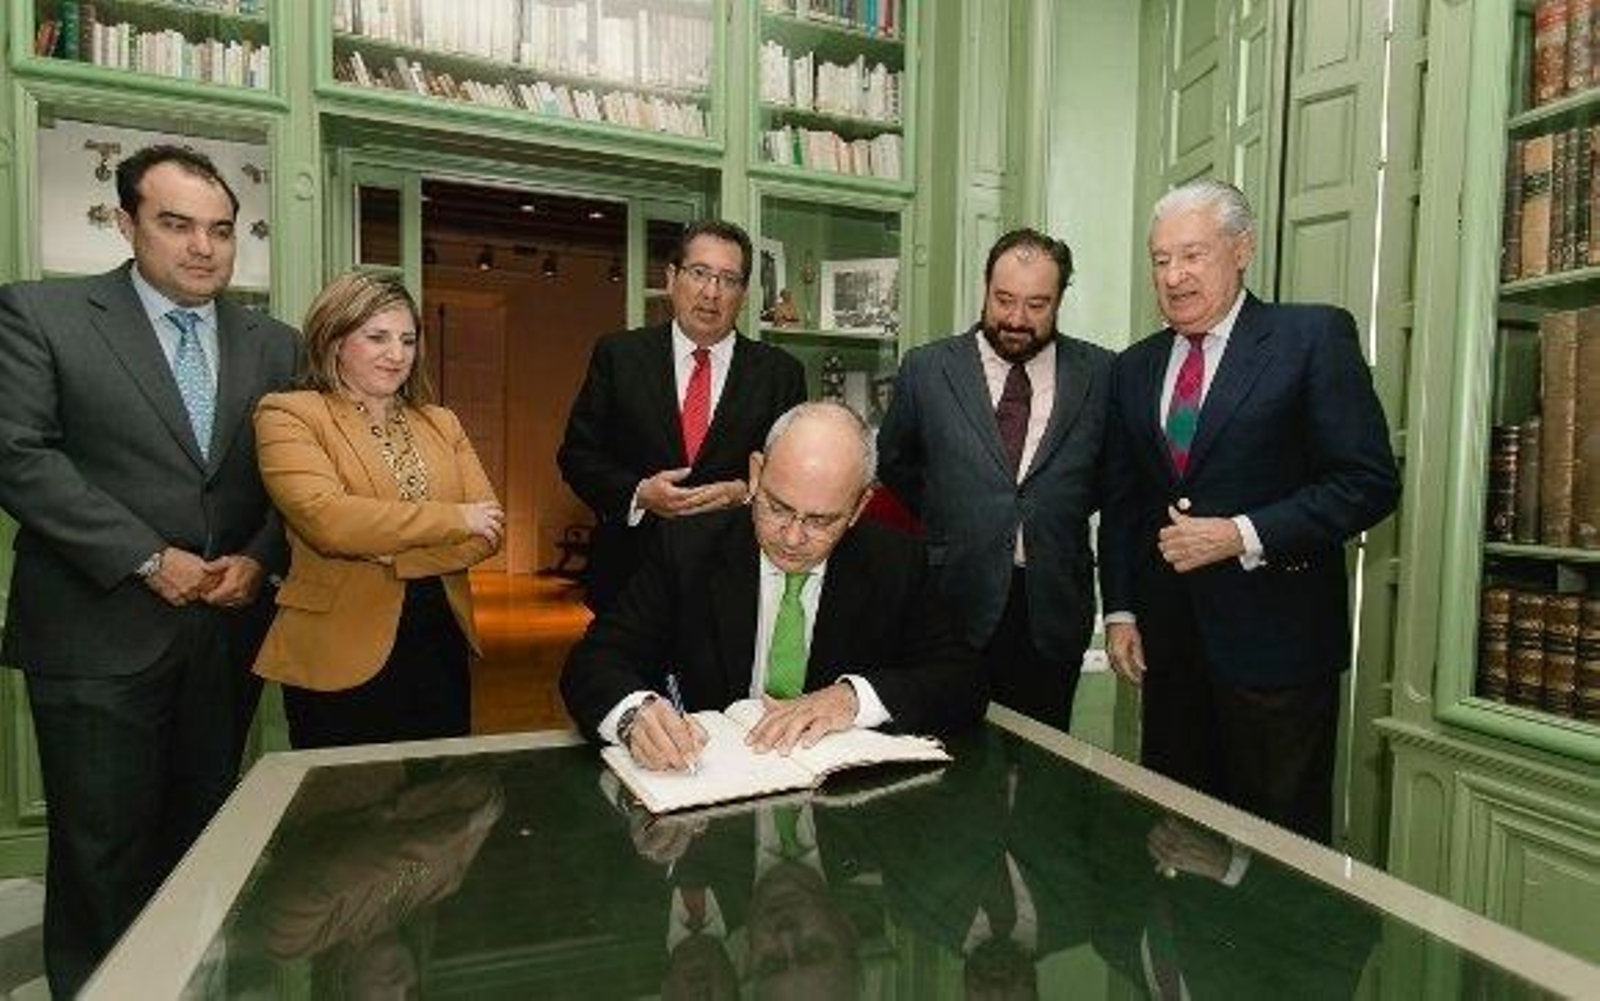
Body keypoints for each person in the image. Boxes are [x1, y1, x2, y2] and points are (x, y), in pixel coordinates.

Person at [0, 143, 299, 996]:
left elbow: (299, 479)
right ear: (126, 223)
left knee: (206, 839)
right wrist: (144, 556)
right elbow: (19, 457)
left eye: (220, 230)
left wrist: (259, 557)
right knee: (102, 855)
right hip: (96, 636)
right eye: (176, 224)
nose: (203, 247)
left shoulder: (274, 344)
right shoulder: (41, 315)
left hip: (225, 635)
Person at [1099, 179, 1401, 843]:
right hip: (1170, 657)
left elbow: (1368, 481)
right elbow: (1123, 502)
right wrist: (1120, 609)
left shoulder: (1312, 336)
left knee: (1278, 850)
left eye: (1192, 255)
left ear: (1242, 249)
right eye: (1160, 260)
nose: (1174, 276)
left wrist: (1241, 533)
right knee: (1178, 836)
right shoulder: (1133, 368)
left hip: (1279, 656)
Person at [560, 401, 986, 771]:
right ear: (756, 472)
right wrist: (634, 716)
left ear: (859, 506)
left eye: (821, 520)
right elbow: (594, 662)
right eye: (778, 507)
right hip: (710, 804)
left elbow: (962, 680)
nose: (793, 537)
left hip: (841, 822)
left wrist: (852, 698)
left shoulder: (895, 561)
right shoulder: (687, 547)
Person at [253, 271, 504, 748]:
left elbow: (489, 531)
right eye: (377, 338)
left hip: (439, 642)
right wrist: (454, 518)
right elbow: (329, 523)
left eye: (408, 340)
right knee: (345, 812)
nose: (397, 354)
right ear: (334, 339)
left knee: (443, 807)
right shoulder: (289, 414)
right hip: (336, 652)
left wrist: (397, 555)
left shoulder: (440, 421)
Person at [877, 229, 1112, 731]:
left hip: (1052, 606)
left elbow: (1110, 478)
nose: (1016, 320)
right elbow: (895, 462)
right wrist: (953, 514)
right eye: (1004, 300)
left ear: (1060, 300)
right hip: (953, 597)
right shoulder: (927, 368)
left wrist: (1048, 509)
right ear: (985, 287)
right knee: (948, 754)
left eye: (1036, 304)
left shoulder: (1102, 374)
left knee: (1046, 766)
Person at [558, 219, 807, 613]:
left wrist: (744, 492)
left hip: (733, 580)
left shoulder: (780, 374)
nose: (712, 292)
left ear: (743, 293)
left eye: (728, 280)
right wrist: (640, 493)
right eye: (699, 273)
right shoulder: (619, 356)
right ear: (672, 278)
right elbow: (577, 456)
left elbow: (794, 478)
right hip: (631, 576)